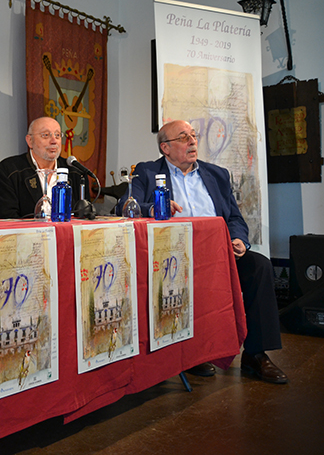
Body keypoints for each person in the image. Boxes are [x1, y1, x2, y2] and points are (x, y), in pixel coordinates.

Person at [117, 120, 287, 384]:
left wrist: (239, 239)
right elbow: (125, 205)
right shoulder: (148, 172)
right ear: (166, 147)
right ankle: (191, 354)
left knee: (260, 266)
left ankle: (256, 355)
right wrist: (154, 208)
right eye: (183, 137)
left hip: (217, 255)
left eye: (193, 136)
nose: (192, 141)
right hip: (171, 259)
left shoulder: (217, 174)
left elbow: (235, 219)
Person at [0, 116, 90, 218]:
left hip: (66, 232)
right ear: (30, 141)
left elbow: (86, 216)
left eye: (57, 135)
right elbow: (6, 218)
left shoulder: (76, 172)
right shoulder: (9, 170)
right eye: (46, 135)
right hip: (26, 233)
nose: (54, 141)